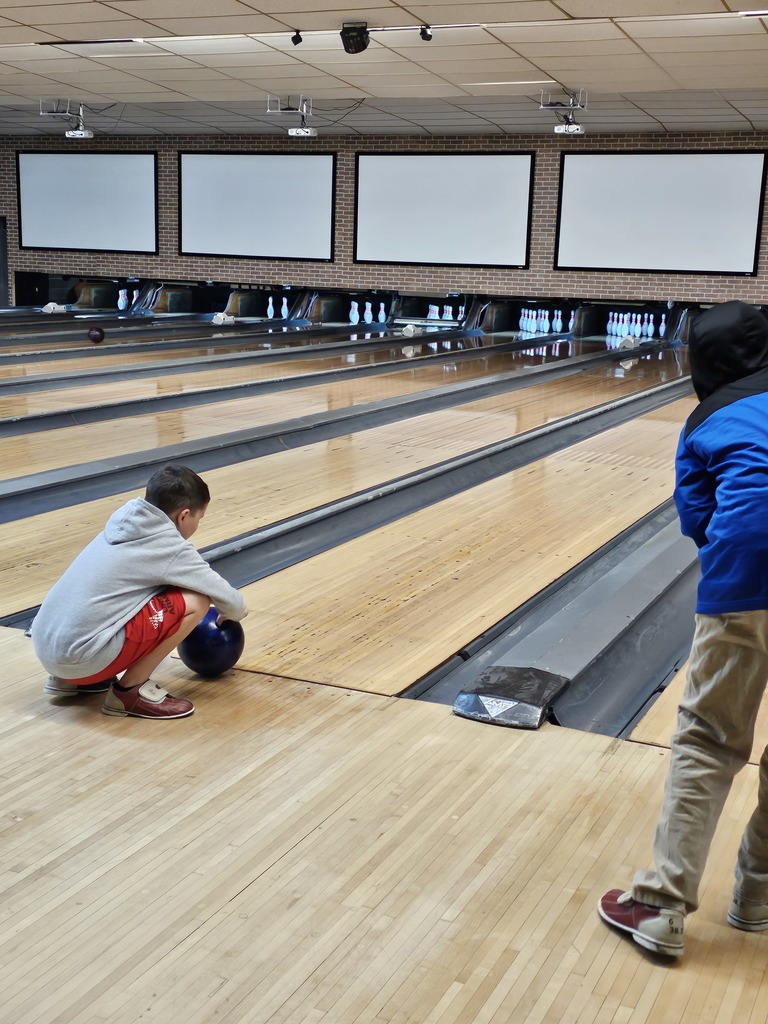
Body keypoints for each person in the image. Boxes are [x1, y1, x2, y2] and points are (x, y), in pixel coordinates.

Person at [598, 300, 768, 958]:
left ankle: (662, 907)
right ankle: (757, 897)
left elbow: (698, 519)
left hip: (746, 581)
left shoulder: (707, 418)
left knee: (708, 741)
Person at [31, 464, 248, 720]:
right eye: (199, 519)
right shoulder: (169, 547)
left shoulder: (123, 524)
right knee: (196, 599)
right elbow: (234, 605)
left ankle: (75, 680)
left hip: (48, 650)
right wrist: (229, 614)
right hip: (82, 660)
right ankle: (130, 692)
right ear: (184, 515)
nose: (197, 524)